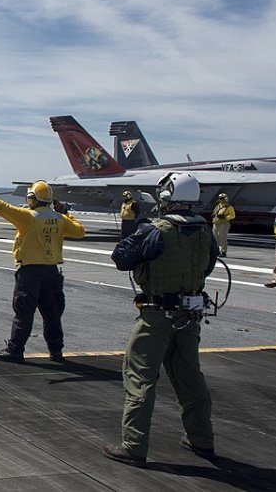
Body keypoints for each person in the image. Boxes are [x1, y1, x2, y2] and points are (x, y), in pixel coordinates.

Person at [103, 172, 218, 467]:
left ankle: (134, 445)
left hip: (157, 315)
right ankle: (201, 439)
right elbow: (208, 266)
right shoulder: (205, 230)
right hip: (190, 315)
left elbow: (121, 258)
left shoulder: (156, 229)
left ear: (167, 195)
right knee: (190, 377)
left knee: (139, 376)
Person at [0, 180, 85, 362]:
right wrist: (64, 211)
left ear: (34, 198)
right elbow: (80, 231)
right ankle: (56, 351)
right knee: (52, 314)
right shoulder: (60, 219)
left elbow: (2, 207)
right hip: (52, 272)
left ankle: (15, 350)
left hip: (30, 272)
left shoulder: (29, 217)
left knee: (24, 312)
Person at [211, 192, 236, 257]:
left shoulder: (229, 207)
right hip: (216, 223)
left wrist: (225, 217)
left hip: (223, 224)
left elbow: (233, 215)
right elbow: (215, 212)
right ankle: (216, 250)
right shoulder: (218, 206)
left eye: (222, 198)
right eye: (220, 198)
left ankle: (223, 251)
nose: (221, 200)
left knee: (222, 238)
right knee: (215, 238)